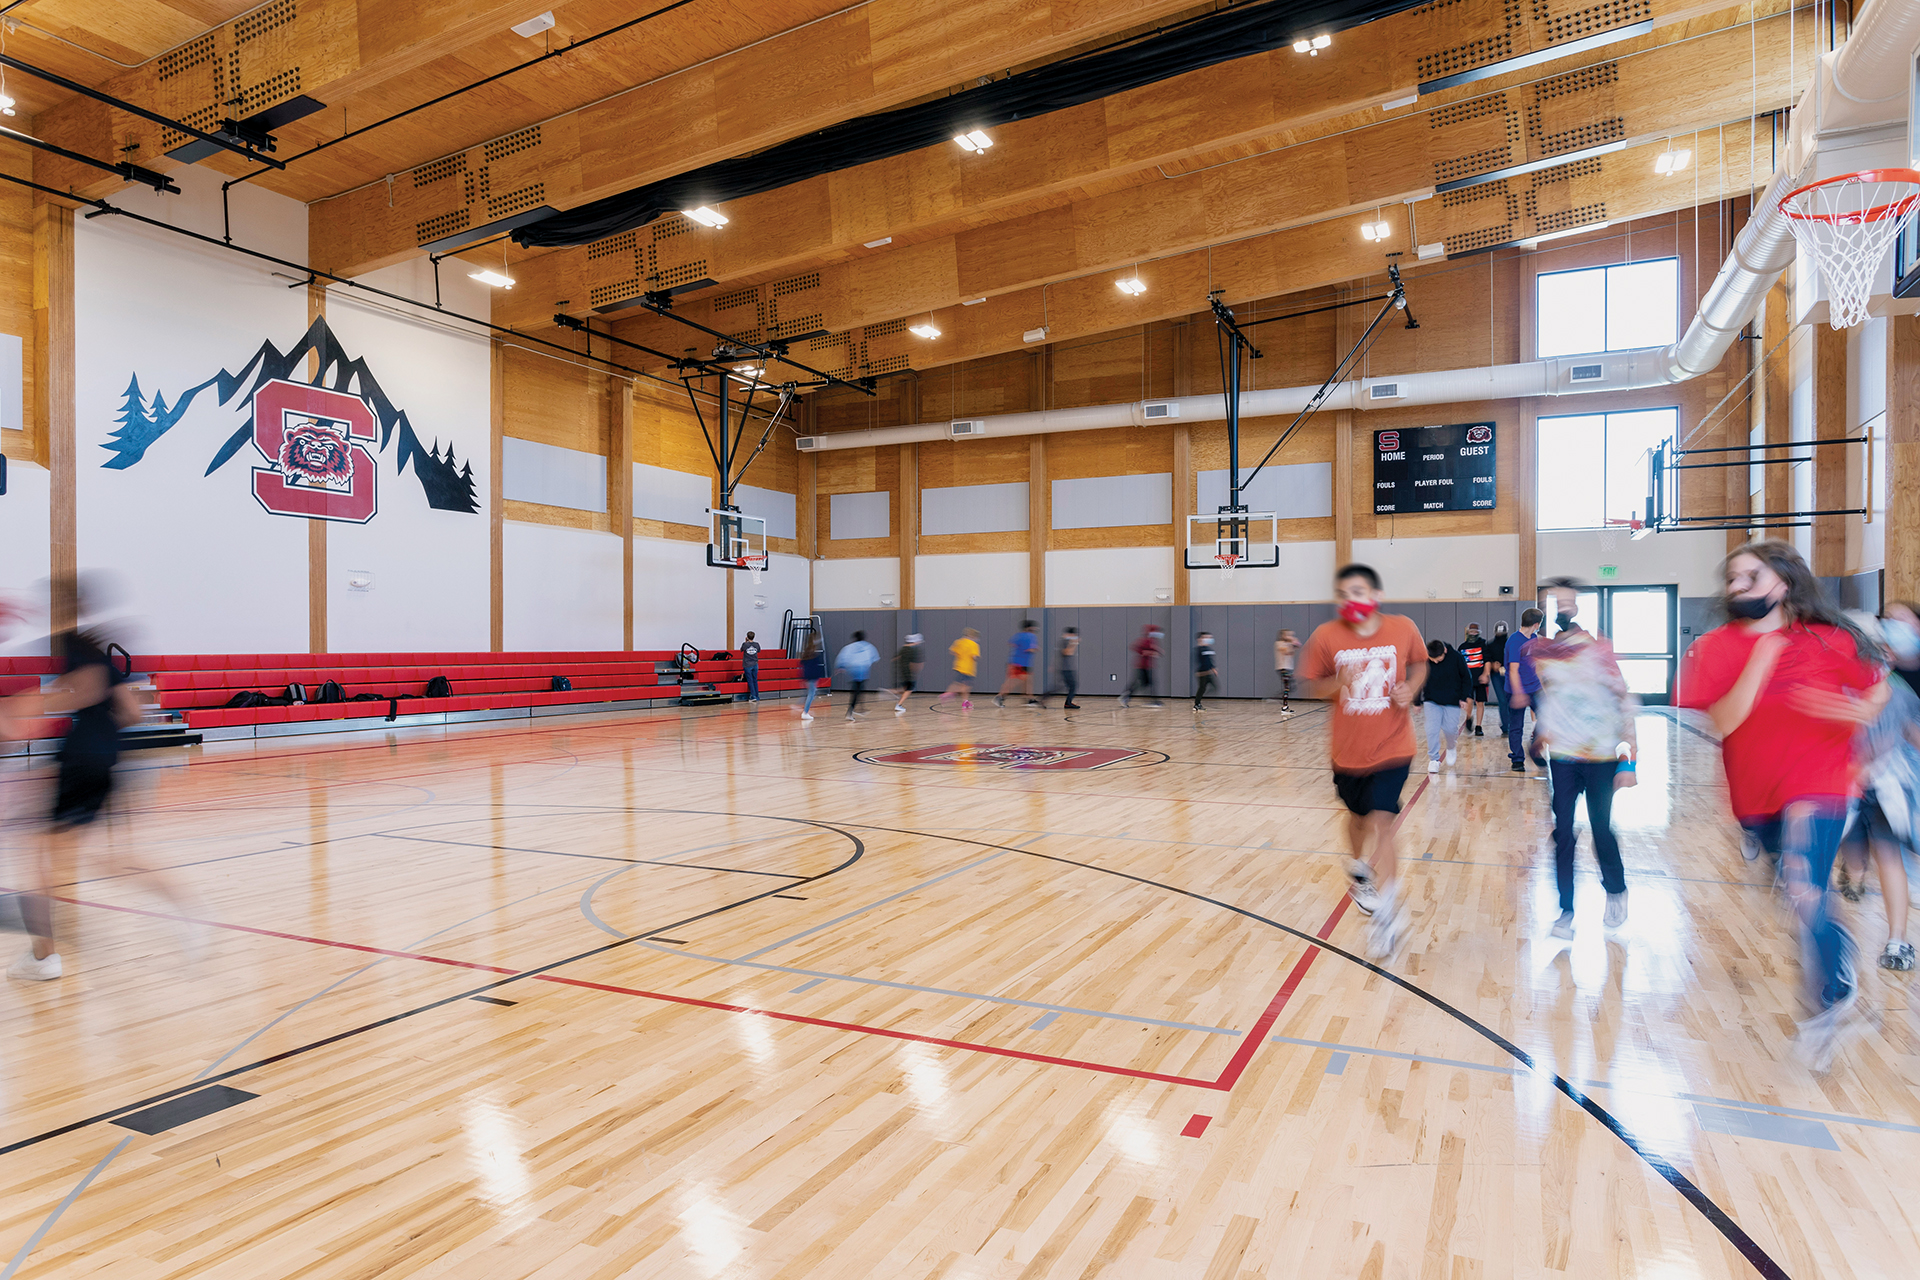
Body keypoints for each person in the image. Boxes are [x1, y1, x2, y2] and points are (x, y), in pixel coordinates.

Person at [1678, 540, 1887, 1071]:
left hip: (1821, 783)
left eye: (1751, 576)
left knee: (1802, 882)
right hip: (1756, 798)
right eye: (1732, 579)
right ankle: (1840, 956)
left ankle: (1826, 1005)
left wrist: (1851, 711)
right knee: (1801, 896)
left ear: (1784, 585)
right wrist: (1764, 658)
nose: (1737, 587)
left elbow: (1877, 690)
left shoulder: (1830, 639)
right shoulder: (1717, 647)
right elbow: (1724, 722)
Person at [0, 623, 147, 980]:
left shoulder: (79, 660)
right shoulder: (106, 665)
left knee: (38, 860)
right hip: (108, 766)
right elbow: (133, 714)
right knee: (59, 856)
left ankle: (44, 955)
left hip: (79, 763)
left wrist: (22, 710)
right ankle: (45, 950)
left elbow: (59, 701)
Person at [1298, 563, 1428, 958]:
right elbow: (1312, 685)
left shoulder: (1403, 628)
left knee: (1382, 821)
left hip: (1393, 746)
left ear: (1375, 596)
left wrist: (1411, 687)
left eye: (1356, 591)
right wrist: (1333, 685)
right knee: (1357, 818)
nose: (1348, 600)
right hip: (1348, 752)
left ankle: (1387, 913)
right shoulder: (1326, 636)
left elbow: (1420, 663)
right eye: (1341, 594)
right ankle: (1358, 869)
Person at [1528, 583, 1638, 940]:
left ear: (1577, 608)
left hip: (1600, 756)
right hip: (1563, 757)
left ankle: (1616, 888)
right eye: (1556, 604)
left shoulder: (1599, 651)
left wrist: (1629, 761)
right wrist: (1539, 734)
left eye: (1568, 603)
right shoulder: (1544, 654)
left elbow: (1624, 701)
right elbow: (1551, 701)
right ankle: (1566, 910)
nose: (1563, 609)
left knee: (1601, 829)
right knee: (1563, 833)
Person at [1834, 612, 1917, 971]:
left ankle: (1897, 940)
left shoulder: (1898, 692)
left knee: (1889, 857)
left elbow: (1906, 735)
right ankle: (1853, 874)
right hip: (1844, 787)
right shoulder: (1839, 686)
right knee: (1852, 855)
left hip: (1884, 787)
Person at [1504, 608, 1547, 775]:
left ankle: (1535, 746)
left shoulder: (1535, 639)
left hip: (1534, 688)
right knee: (1516, 726)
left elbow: (1537, 665)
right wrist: (1518, 693)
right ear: (1536, 624)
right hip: (1516, 690)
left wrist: (1543, 688)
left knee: (1547, 716)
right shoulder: (1514, 641)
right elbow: (1513, 670)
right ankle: (1517, 759)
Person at [1418, 637, 1470, 773]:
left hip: (1452, 701)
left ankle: (1451, 747)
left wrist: (1464, 698)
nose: (1435, 661)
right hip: (1431, 701)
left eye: (1437, 659)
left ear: (1445, 651)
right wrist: (1417, 701)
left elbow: (1466, 678)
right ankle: (1434, 759)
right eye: (1432, 659)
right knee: (1431, 729)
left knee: (1450, 729)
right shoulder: (1425, 659)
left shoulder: (1456, 658)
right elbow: (1419, 680)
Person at [834, 630, 880, 721]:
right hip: (862, 670)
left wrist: (840, 667)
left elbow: (842, 657)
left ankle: (859, 708)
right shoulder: (868, 646)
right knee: (857, 691)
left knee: (858, 689)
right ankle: (852, 710)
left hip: (852, 670)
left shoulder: (849, 647)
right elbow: (875, 657)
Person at [996, 620, 1041, 708]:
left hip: (1016, 661)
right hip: (1021, 663)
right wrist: (1035, 648)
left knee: (1028, 681)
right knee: (1013, 682)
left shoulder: (1018, 635)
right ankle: (1000, 697)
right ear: (1030, 628)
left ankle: (1030, 699)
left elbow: (1010, 643)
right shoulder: (1031, 636)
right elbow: (1030, 649)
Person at [937, 628, 981, 710]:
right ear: (972, 636)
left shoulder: (958, 642)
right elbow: (975, 656)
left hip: (959, 665)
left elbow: (952, 651)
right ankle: (948, 694)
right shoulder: (974, 645)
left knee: (960, 683)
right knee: (966, 686)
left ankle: (965, 701)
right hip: (968, 668)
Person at [1121, 623, 1163, 708]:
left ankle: (1153, 700)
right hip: (1141, 666)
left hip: (1147, 666)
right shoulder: (1145, 640)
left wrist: (1158, 651)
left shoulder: (1152, 641)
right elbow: (1135, 648)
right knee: (1141, 683)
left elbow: (1153, 649)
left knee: (1147, 683)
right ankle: (1126, 696)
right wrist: (1151, 653)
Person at [1460, 623, 1488, 737]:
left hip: (1480, 678)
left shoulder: (1483, 645)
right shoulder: (1462, 647)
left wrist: (1486, 674)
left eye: (1475, 632)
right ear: (1468, 632)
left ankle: (1478, 726)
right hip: (1467, 679)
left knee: (1480, 702)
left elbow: (1487, 661)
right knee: (1469, 701)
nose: (1473, 634)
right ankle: (1468, 718)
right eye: (1471, 632)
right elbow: (1460, 664)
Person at [1486, 619, 1513, 735]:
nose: (1500, 635)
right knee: (1502, 700)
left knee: (1510, 699)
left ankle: (1511, 724)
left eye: (1502, 633)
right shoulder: (1490, 645)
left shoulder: (1511, 643)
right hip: (1496, 675)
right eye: (1498, 633)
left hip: (1510, 674)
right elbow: (1487, 658)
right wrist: (1492, 665)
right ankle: (1505, 726)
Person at [797, 631, 826, 721]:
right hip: (811, 677)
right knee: (811, 694)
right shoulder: (812, 653)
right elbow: (812, 666)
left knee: (811, 693)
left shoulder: (808, 652)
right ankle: (805, 712)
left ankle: (806, 709)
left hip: (809, 676)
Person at [891, 633, 924, 714]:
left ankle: (892, 691)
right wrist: (914, 671)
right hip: (909, 673)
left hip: (902, 671)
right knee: (909, 689)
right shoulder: (913, 650)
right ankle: (898, 705)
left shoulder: (903, 649)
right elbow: (916, 663)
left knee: (905, 689)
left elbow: (895, 659)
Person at [1054, 626, 1081, 710]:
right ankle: (1068, 703)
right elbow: (1067, 652)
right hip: (1065, 668)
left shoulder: (1068, 641)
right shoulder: (1065, 642)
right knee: (1072, 686)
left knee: (1066, 686)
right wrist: (1074, 643)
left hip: (1068, 668)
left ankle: (1068, 702)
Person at [1193, 631, 1219, 712]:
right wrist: (1203, 671)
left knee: (1214, 687)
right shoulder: (1199, 650)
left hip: (1208, 672)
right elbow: (1201, 662)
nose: (1209, 639)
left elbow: (1209, 660)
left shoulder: (1208, 649)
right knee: (1202, 688)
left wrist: (1213, 668)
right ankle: (1197, 704)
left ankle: (1199, 702)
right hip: (1202, 673)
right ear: (1200, 639)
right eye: (1206, 638)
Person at [1275, 629, 1299, 716]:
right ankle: (1284, 706)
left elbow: (1294, 650)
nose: (1290, 636)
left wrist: (1294, 644)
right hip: (1283, 668)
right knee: (1287, 687)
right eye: (1288, 635)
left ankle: (1280, 700)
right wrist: (1292, 644)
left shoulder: (1288, 643)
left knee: (1292, 687)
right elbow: (1286, 651)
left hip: (1288, 668)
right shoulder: (1279, 643)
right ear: (1283, 635)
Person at [740, 631, 762, 703]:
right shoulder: (756, 644)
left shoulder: (745, 644)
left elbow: (741, 650)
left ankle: (753, 696)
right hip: (755, 664)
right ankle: (757, 696)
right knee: (755, 680)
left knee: (750, 681)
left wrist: (746, 642)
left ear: (747, 637)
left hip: (747, 665)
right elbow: (758, 651)